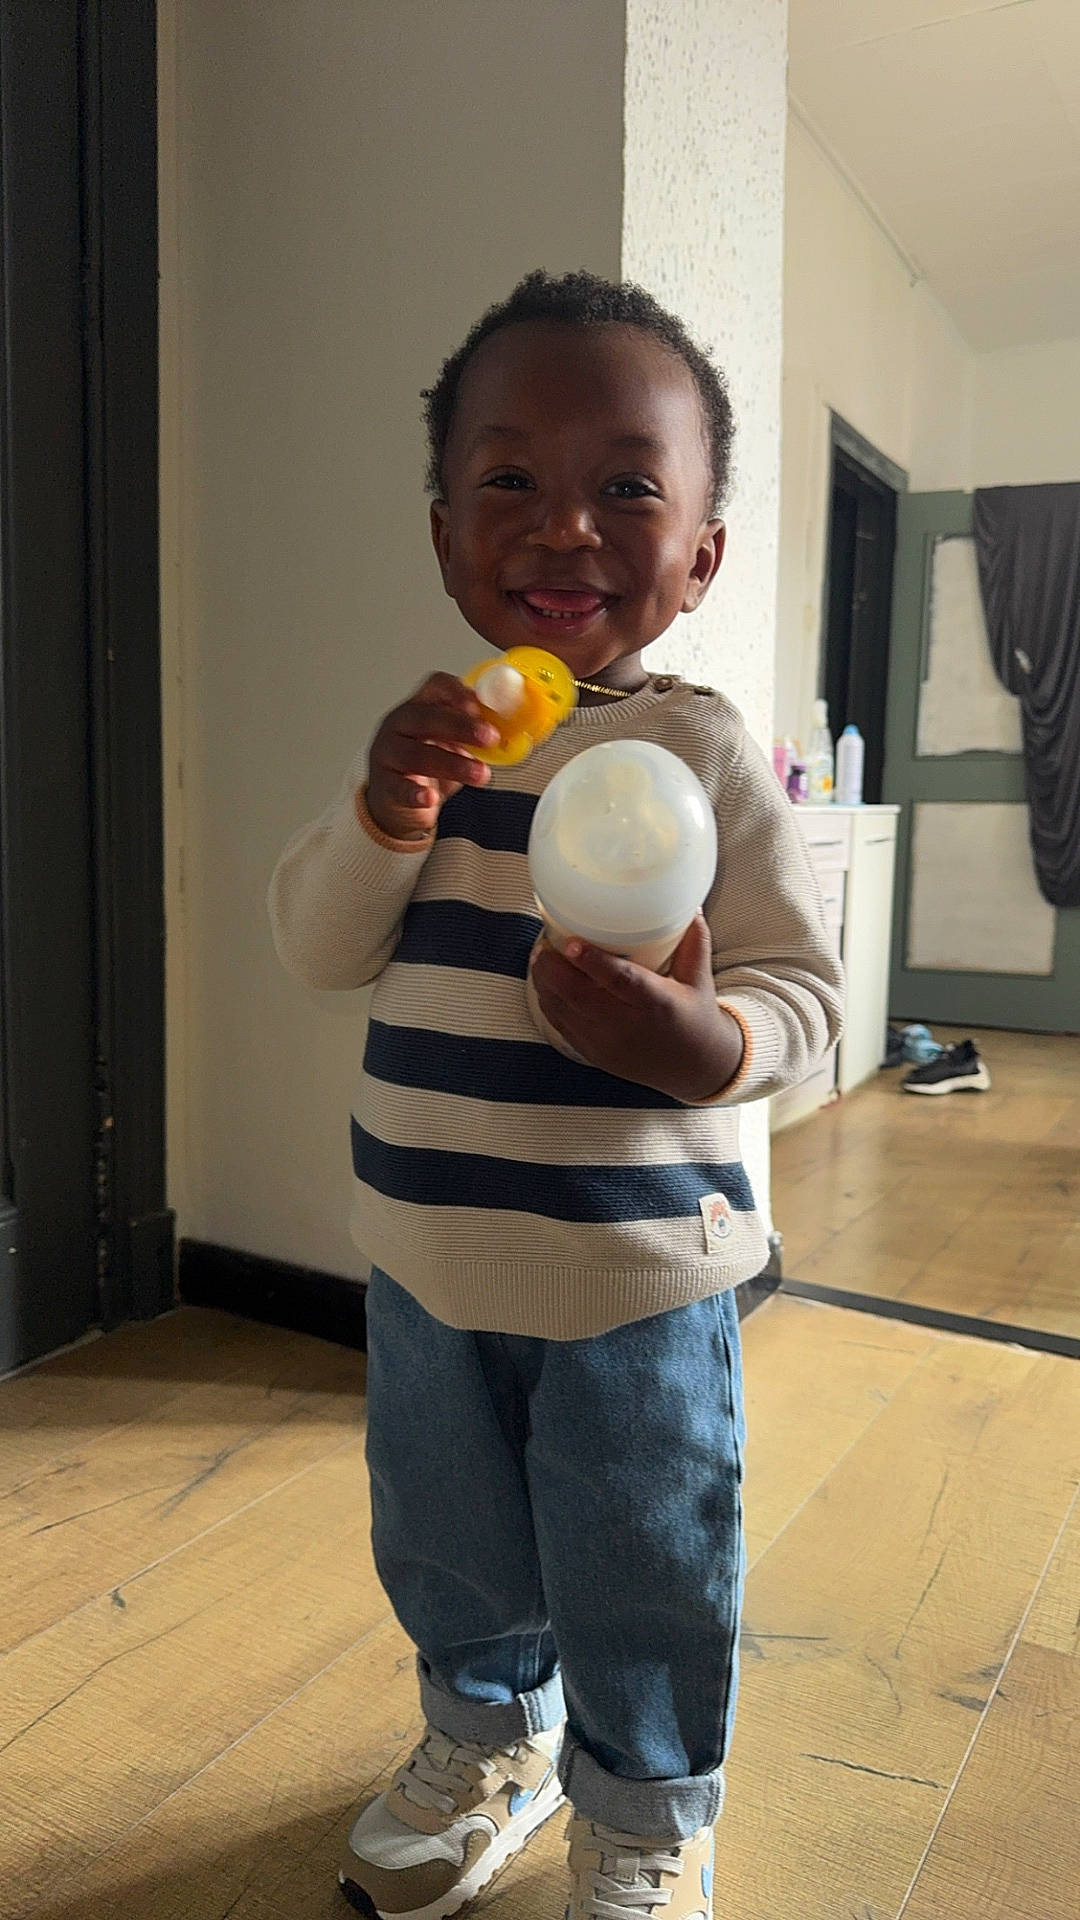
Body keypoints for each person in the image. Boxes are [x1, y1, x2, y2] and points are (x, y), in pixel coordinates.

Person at [269, 270, 843, 1920]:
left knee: (644, 1553)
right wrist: (385, 816)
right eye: (510, 480)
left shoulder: (709, 756)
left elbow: (800, 991)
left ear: (703, 552)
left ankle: (650, 1808)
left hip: (637, 1274)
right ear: (448, 535)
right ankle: (482, 1740)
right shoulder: (432, 752)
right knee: (447, 1535)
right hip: (426, 1255)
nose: (566, 527)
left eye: (627, 487)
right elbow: (318, 948)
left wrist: (701, 1046)